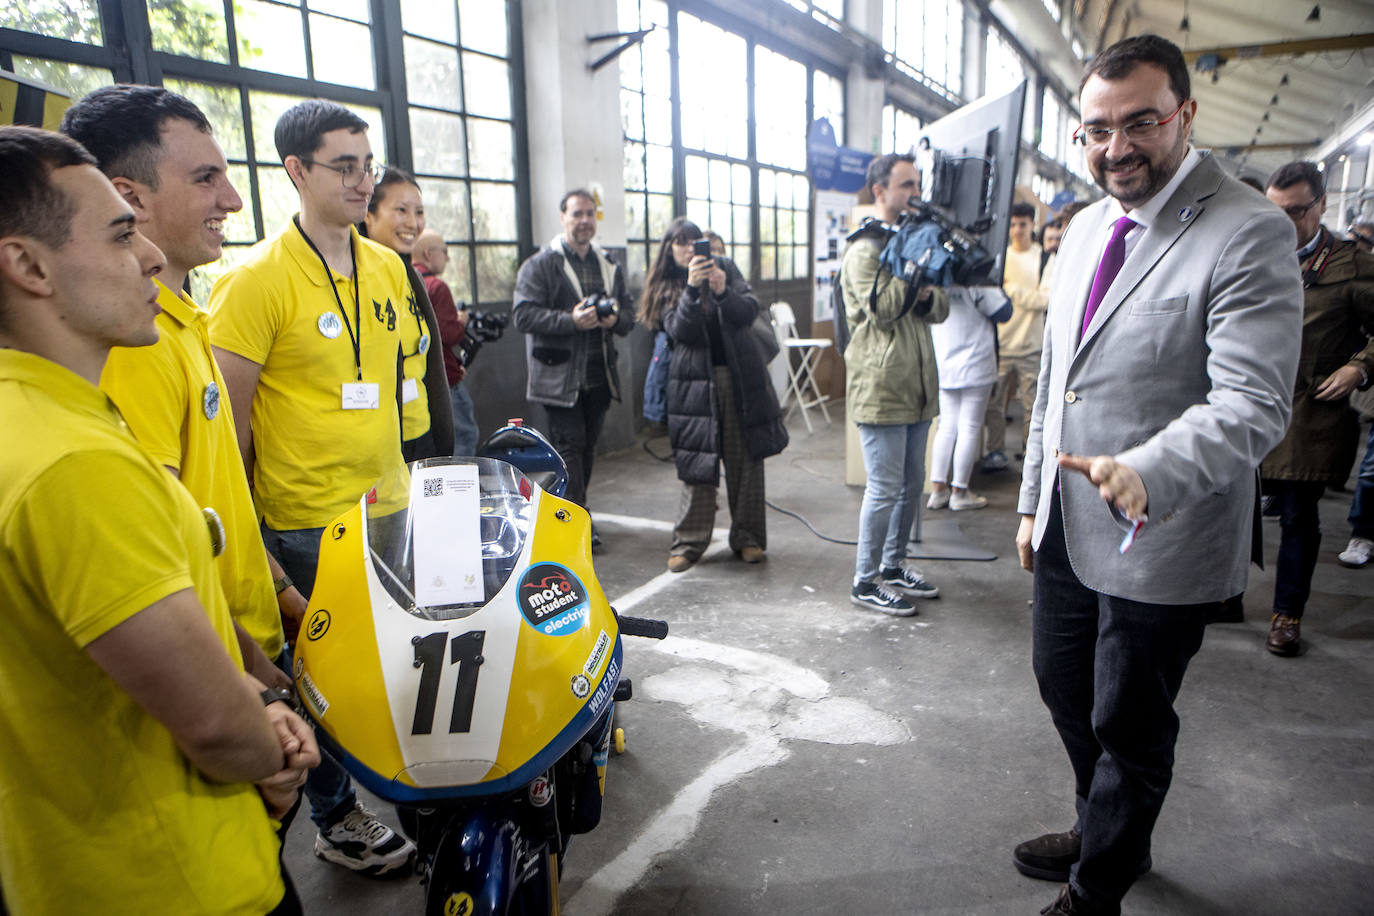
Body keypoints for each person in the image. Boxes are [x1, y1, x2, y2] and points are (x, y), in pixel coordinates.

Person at [1012, 35, 1302, 916]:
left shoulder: (1247, 227)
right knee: (1064, 687)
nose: (1116, 148)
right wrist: (1029, 504)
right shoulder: (1089, 225)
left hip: (1161, 527)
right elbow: (1055, 386)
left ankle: (1099, 884)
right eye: (1095, 130)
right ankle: (1104, 824)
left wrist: (1149, 469)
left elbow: (1253, 401)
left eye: (1140, 122)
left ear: (1185, 114)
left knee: (1129, 722)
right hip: (1066, 518)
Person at [0, 124, 318, 914]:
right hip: (177, 879)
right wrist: (270, 743)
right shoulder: (76, 464)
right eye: (118, 235)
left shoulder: (32, 417)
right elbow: (214, 726)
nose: (146, 257)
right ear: (28, 265)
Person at [208, 99, 417, 875]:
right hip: (304, 524)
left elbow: (400, 388)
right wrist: (254, 547)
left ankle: (415, 791)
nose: (363, 180)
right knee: (323, 686)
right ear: (296, 171)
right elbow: (224, 434)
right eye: (344, 166)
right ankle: (336, 818)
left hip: (390, 508)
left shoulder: (389, 268)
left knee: (404, 669)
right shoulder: (253, 281)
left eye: (368, 164)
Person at [61, 84, 298, 689]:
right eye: (205, 178)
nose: (235, 200)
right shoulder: (132, 349)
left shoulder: (184, 317)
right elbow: (161, 565)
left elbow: (216, 501)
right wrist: (254, 677)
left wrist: (285, 596)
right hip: (224, 672)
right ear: (128, 198)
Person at [1260, 160, 1374, 654]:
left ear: (1322, 205)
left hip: (1309, 413)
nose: (1284, 222)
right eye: (1274, 211)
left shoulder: (1353, 264)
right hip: (1247, 403)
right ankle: (1225, 594)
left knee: (1297, 518)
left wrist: (1359, 367)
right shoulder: (1253, 252)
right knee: (1232, 512)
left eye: (1296, 211)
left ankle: (1287, 614)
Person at [639, 217, 787, 572]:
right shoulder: (666, 285)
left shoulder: (725, 268)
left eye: (694, 241)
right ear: (669, 249)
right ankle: (689, 542)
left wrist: (723, 291)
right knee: (698, 465)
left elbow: (750, 311)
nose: (690, 248)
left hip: (739, 378)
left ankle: (748, 537)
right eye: (681, 242)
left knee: (746, 461)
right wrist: (692, 290)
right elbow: (681, 331)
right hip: (692, 386)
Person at [842, 152, 948, 616]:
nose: (915, 194)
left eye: (917, 185)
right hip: (883, 386)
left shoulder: (910, 243)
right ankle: (865, 580)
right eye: (905, 185)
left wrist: (923, 282)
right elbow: (884, 309)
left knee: (911, 484)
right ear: (880, 192)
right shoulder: (864, 250)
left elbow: (940, 307)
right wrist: (915, 275)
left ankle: (893, 565)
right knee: (885, 487)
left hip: (918, 383)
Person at [513, 188, 635, 545]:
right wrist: (571, 320)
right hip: (559, 378)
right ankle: (576, 521)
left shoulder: (608, 264)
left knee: (586, 448)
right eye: (576, 214)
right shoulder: (541, 265)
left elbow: (629, 314)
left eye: (589, 214)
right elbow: (523, 315)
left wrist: (614, 321)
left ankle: (573, 512)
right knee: (570, 448)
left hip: (599, 376)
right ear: (563, 217)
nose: (584, 221)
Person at [361, 167, 453, 461]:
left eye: (420, 212)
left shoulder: (410, 276)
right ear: (368, 214)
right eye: (401, 210)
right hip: (379, 442)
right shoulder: (354, 277)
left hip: (421, 434)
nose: (413, 223)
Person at [928, 286, 1011, 511]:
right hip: (975, 365)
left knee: (946, 426)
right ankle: (960, 492)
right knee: (969, 427)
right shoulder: (977, 282)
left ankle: (938, 490)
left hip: (944, 362)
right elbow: (1004, 312)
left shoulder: (937, 279)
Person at [982, 201, 1046, 471]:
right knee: (994, 405)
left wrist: (1012, 292)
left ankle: (1030, 456)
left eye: (1023, 224)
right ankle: (994, 451)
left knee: (1033, 408)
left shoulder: (1045, 258)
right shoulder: (1000, 258)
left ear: (1033, 225)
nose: (1018, 229)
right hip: (1001, 346)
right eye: (1013, 224)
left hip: (1032, 346)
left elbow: (1046, 300)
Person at [414, 227, 480, 456]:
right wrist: (460, 321)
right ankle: (459, 489)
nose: (448, 257)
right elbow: (449, 334)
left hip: (419, 382)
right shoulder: (436, 287)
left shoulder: (405, 280)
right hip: (447, 380)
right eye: (444, 251)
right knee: (463, 437)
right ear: (429, 253)